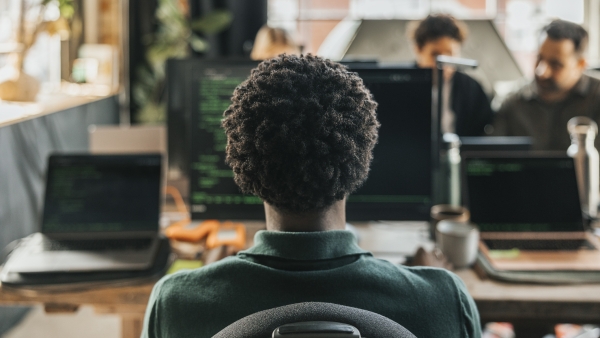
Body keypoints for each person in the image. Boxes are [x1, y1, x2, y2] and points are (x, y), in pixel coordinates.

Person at [141, 54, 481, 338]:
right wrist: (428, 283)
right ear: (361, 155)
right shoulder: (445, 298)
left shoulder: (174, 303)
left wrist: (209, 283)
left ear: (242, 163)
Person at [493, 20, 600, 150]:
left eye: (556, 64)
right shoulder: (512, 104)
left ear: (580, 65)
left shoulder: (596, 98)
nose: (542, 72)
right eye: (539, 58)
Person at [411, 14, 493, 136]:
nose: (443, 64)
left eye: (450, 54)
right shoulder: (402, 84)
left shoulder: (472, 89)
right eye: (435, 54)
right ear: (418, 49)